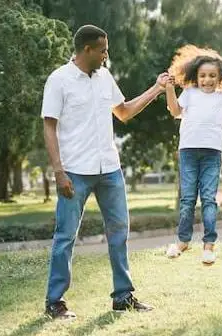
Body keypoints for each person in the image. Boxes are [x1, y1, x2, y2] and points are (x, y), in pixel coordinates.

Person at [41, 25, 169, 319]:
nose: (106, 55)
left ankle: (123, 297)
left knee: (119, 232)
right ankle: (55, 301)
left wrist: (156, 89)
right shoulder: (59, 80)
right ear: (87, 49)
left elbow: (123, 112)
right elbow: (49, 126)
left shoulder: (104, 77)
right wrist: (58, 172)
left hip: (109, 169)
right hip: (75, 171)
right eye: (103, 50)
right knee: (65, 237)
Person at [163, 45, 222, 265]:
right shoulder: (190, 93)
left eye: (212, 75)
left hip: (212, 153)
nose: (207, 80)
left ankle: (209, 246)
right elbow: (175, 111)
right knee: (187, 200)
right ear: (196, 76)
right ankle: (183, 241)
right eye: (202, 76)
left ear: (220, 77)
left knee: (209, 199)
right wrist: (169, 88)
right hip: (188, 152)